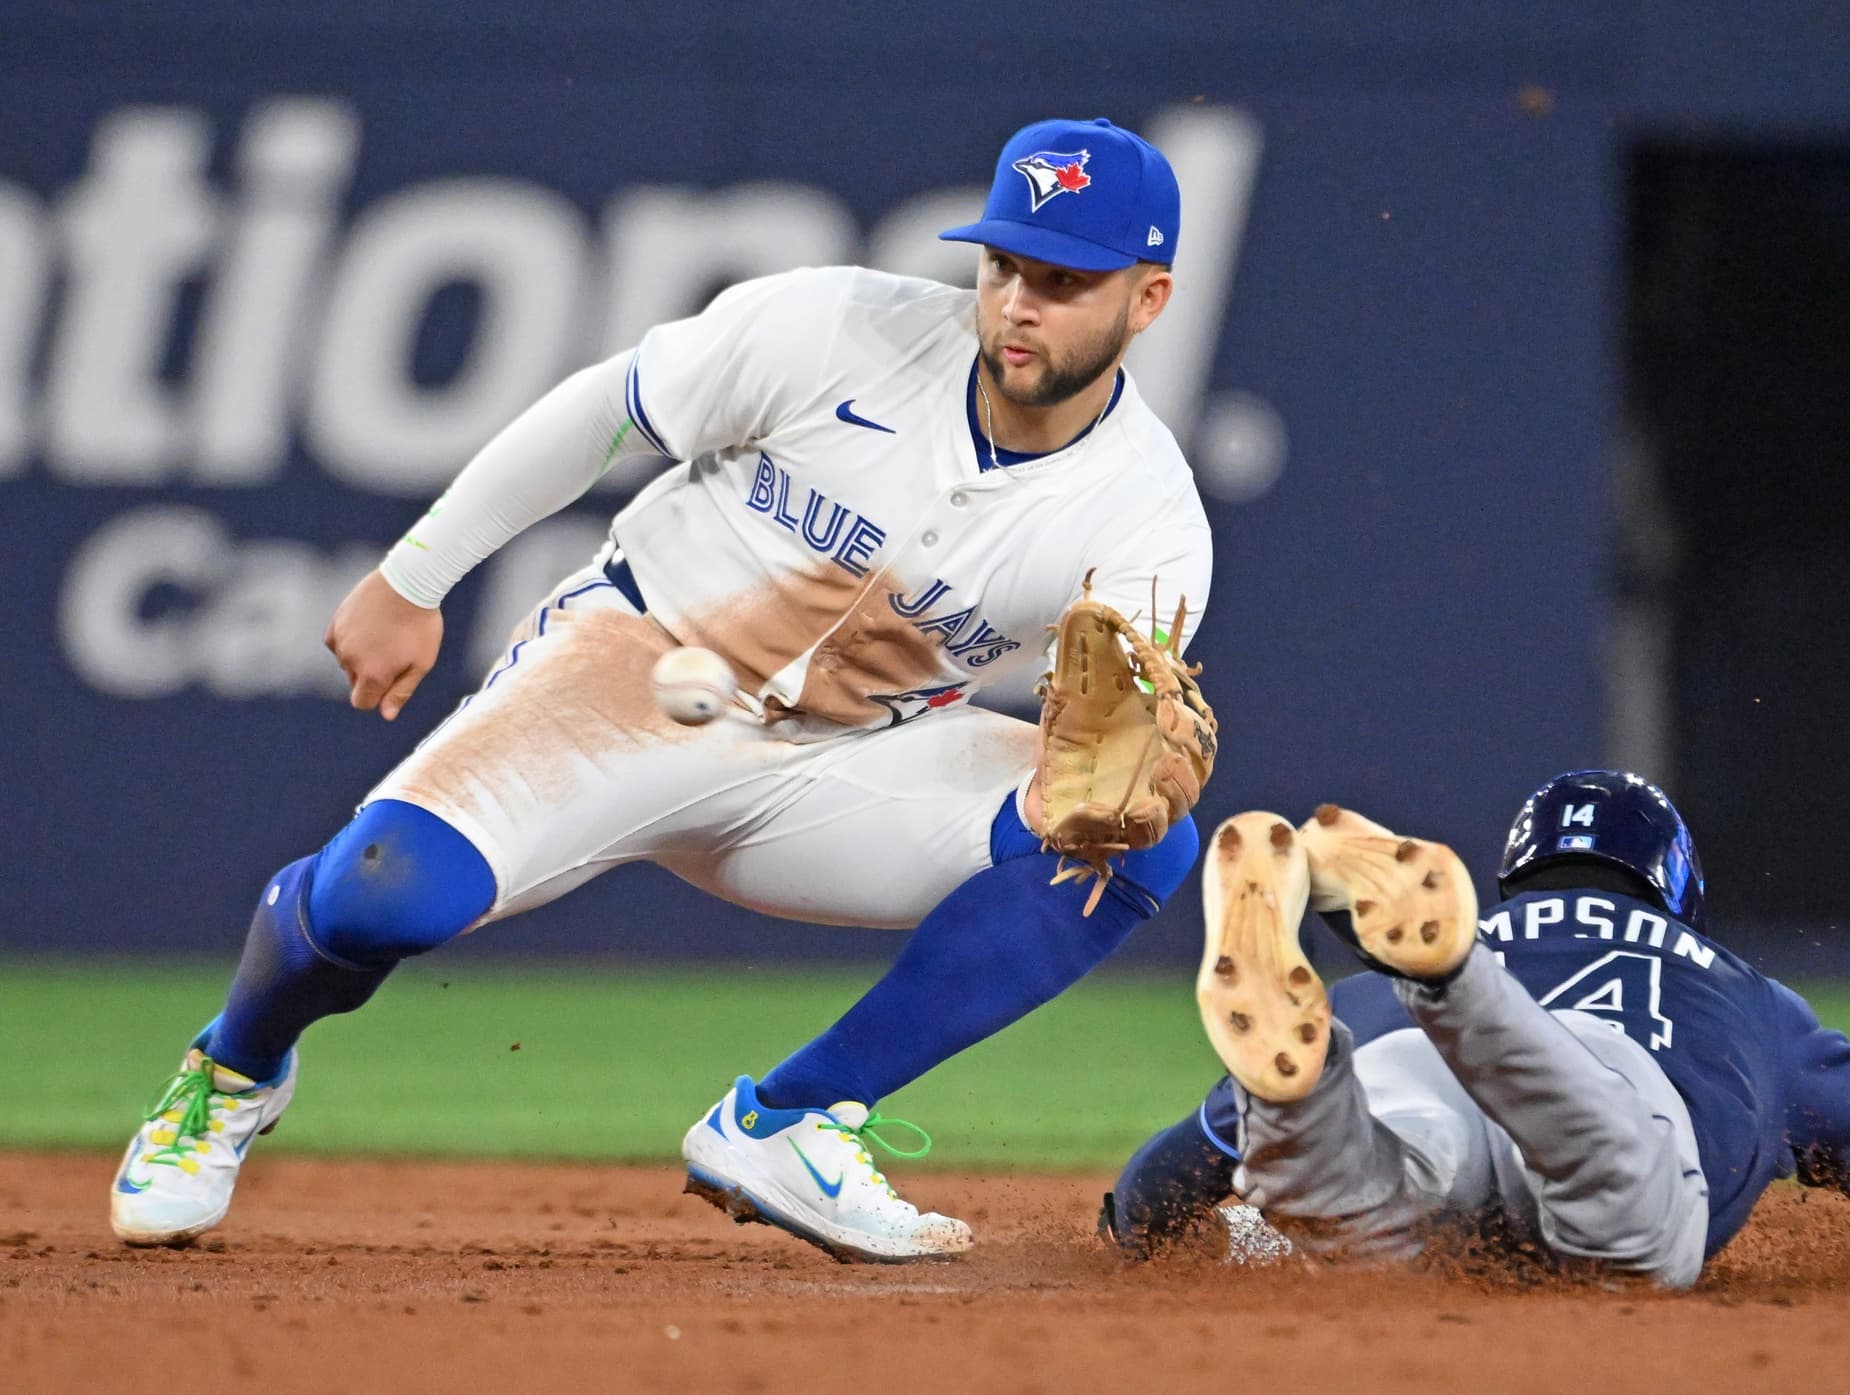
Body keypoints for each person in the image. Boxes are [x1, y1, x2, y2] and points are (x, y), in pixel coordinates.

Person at [110, 117, 1212, 1264]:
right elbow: (605, 410)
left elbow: (1118, 732)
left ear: (1148, 300)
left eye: (1066, 281)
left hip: (843, 766)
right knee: (380, 898)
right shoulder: (841, 327)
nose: (1018, 302)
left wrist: (1122, 760)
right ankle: (231, 1071)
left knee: (1134, 841)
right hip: (623, 672)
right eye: (1003, 265)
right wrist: (414, 577)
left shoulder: (1147, 517)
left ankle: (792, 1121)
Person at [1100, 773, 1850, 1287]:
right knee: (1604, 1173)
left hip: (1403, 1063)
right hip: (1622, 1090)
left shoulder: (1365, 991)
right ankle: (1459, 989)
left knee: (1365, 1219)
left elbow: (1163, 1182)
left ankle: (1317, 1095)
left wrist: (1128, 1228)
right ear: (1677, 890)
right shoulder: (1751, 1000)